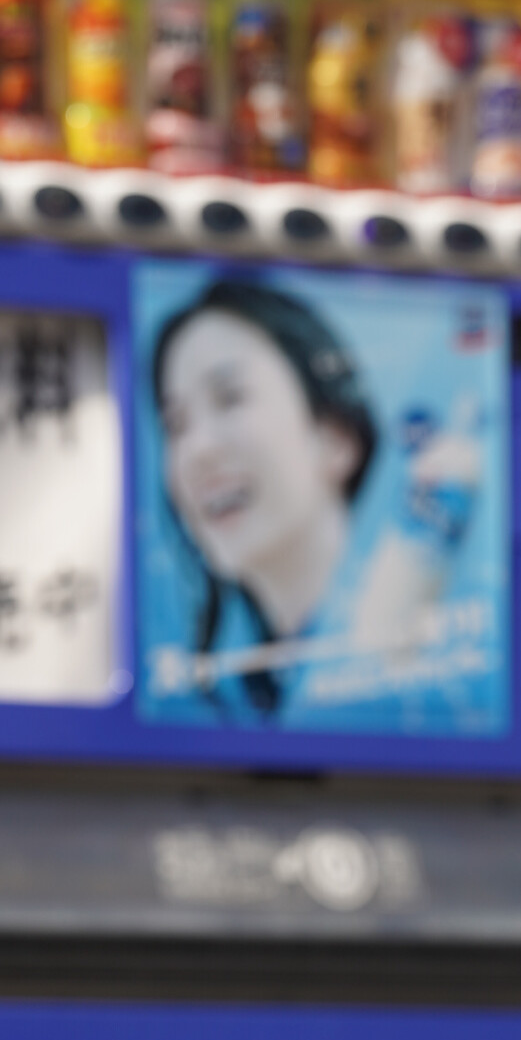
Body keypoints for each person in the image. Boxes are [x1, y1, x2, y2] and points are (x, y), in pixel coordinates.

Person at [152, 277, 378, 718]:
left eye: (230, 398)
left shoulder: (417, 652)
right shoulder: (249, 694)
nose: (198, 451)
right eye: (176, 424)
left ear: (335, 437)